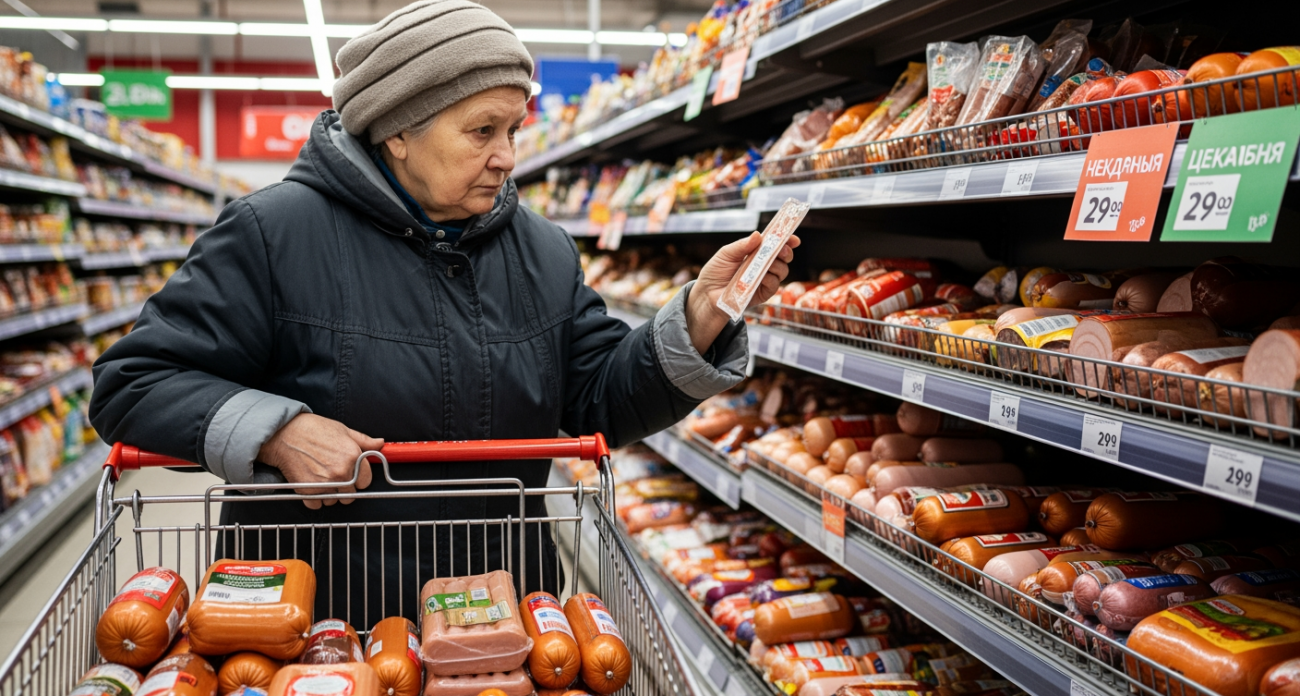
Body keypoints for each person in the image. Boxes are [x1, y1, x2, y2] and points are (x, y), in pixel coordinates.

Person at [88, 0, 797, 626]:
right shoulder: (273, 234)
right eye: (482, 131)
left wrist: (698, 319)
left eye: (514, 129)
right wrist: (276, 432)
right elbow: (134, 384)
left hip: (501, 619)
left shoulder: (543, 252)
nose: (507, 157)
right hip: (318, 622)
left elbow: (600, 398)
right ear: (398, 131)